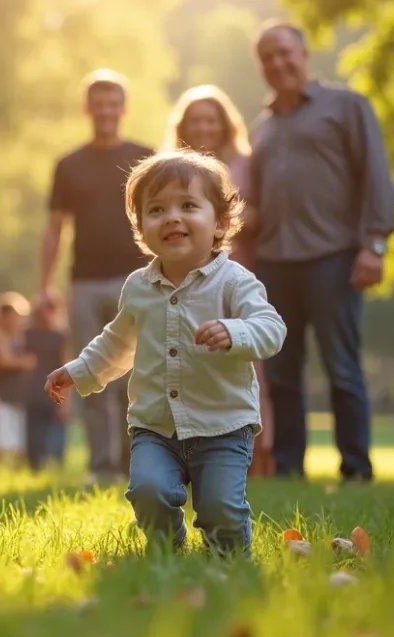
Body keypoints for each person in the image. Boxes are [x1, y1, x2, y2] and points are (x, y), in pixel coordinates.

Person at [44, 151, 286, 554]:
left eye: (188, 205)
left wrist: (235, 330)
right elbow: (117, 343)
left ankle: (227, 559)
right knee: (148, 491)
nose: (172, 217)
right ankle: (167, 551)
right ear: (142, 230)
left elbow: (272, 328)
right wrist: (78, 370)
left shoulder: (234, 282)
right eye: (157, 210)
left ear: (220, 223)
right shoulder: (139, 286)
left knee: (220, 507)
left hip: (222, 424)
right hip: (155, 425)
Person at [249, 21, 394, 482]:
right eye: (267, 57)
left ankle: (356, 469)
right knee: (282, 374)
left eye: (284, 52)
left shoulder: (347, 106)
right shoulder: (262, 128)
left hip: (334, 256)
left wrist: (375, 243)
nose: (278, 63)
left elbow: (376, 174)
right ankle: (290, 468)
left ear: (304, 53)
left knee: (342, 368)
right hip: (274, 261)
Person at [40, 69, 155, 484]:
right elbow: (54, 228)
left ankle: (136, 462)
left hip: (139, 280)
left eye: (113, 102)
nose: (106, 111)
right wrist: (45, 286)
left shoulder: (146, 156)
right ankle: (101, 467)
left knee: (138, 376)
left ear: (124, 108)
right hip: (85, 283)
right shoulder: (68, 165)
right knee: (92, 373)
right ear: (87, 109)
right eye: (98, 103)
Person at [163, 84, 275, 478]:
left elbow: (262, 212)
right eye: (195, 120)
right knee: (192, 351)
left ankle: (260, 453)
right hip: (185, 272)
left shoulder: (246, 163)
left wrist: (229, 223)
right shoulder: (170, 169)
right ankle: (187, 451)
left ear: (224, 125)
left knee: (247, 359)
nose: (204, 127)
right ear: (183, 126)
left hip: (236, 265)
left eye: (211, 120)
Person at [25, 291, 71, 471]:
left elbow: (67, 366)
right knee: (33, 437)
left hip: (55, 391)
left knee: (55, 435)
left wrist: (66, 403)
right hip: (32, 391)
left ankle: (55, 467)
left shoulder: (61, 336)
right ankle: (34, 467)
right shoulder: (27, 334)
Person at [0, 292, 34, 468]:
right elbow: (3, 360)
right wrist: (23, 362)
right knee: (2, 441)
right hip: (2, 396)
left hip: (21, 397)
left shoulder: (24, 338)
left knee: (21, 443)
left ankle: (19, 473)